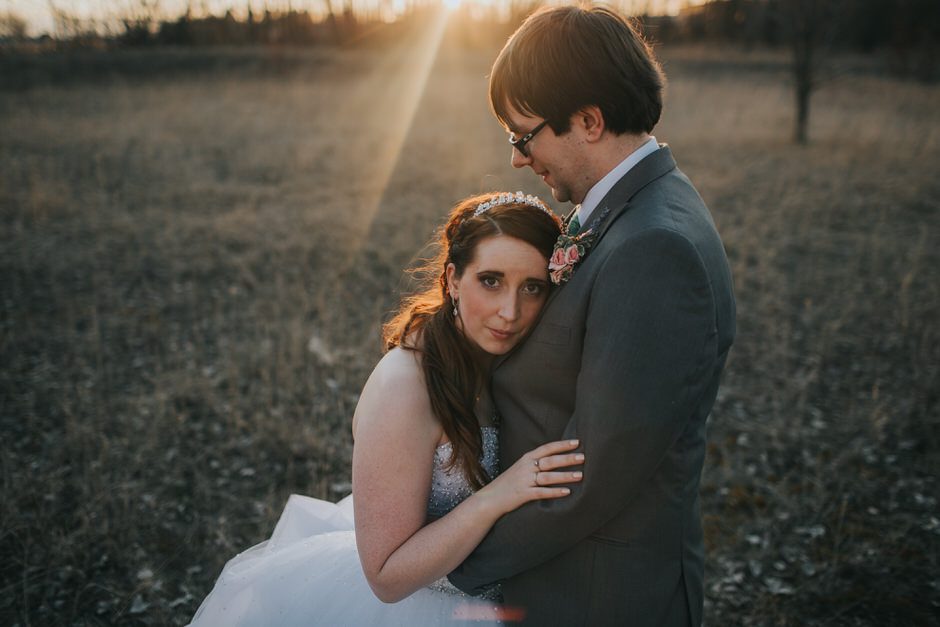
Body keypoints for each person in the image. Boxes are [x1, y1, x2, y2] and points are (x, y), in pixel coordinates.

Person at [446, 6, 737, 626]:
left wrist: (453, 564)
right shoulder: (629, 210)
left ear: (588, 120)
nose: (520, 158)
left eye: (524, 136)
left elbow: (592, 473)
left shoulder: (656, 248)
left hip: (597, 594)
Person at [188, 192, 579, 625]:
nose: (510, 312)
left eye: (532, 288)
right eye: (490, 280)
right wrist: (498, 497)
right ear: (452, 279)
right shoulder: (405, 386)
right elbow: (387, 577)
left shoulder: (507, 357)